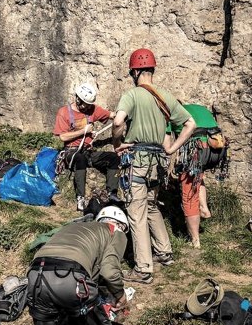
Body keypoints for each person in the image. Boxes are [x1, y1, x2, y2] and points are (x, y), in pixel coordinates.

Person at [113, 48, 196, 284]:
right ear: (151, 69)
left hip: (138, 160)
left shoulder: (132, 95)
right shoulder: (166, 97)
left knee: (136, 211)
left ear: (135, 71)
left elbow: (118, 121)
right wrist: (171, 149)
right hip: (158, 161)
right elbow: (190, 123)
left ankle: (143, 268)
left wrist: (117, 142)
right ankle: (164, 251)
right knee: (150, 205)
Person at [54, 83, 119, 211]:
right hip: (71, 152)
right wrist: (83, 131)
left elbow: (112, 115)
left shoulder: (92, 109)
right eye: (85, 104)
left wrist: (123, 115)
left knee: (114, 158)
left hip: (88, 151)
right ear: (77, 99)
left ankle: (111, 194)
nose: (87, 107)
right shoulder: (64, 112)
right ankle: (81, 198)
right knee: (80, 158)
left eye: (89, 104)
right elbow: (63, 137)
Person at [168, 103, 215, 248]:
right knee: (198, 177)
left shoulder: (171, 115)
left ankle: (195, 240)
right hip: (216, 148)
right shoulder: (196, 108)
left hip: (197, 149)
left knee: (189, 195)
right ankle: (204, 208)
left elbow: (168, 144)